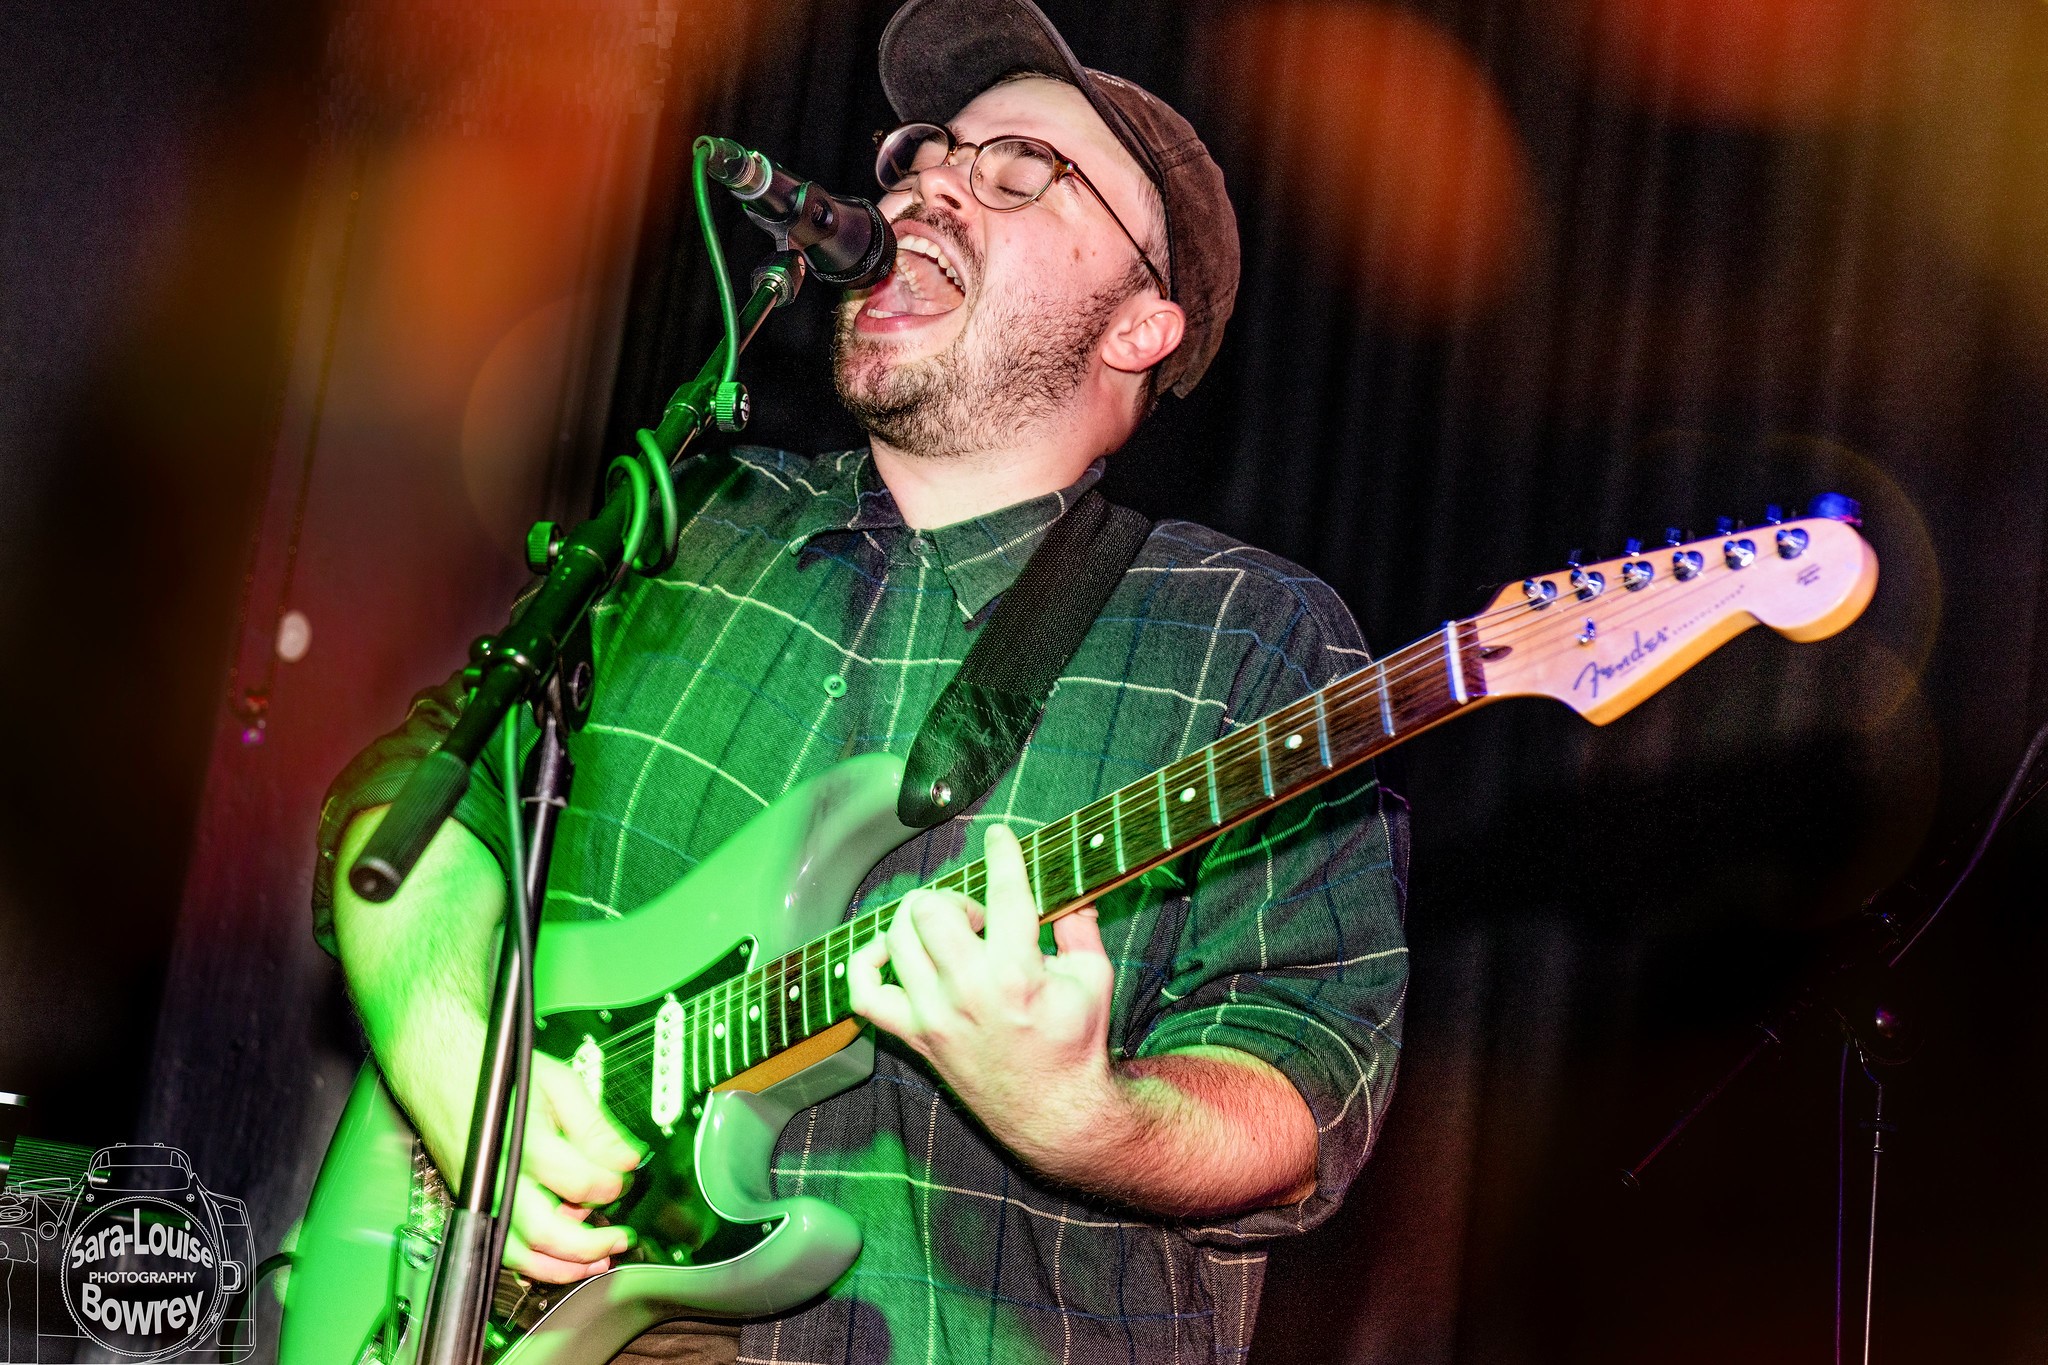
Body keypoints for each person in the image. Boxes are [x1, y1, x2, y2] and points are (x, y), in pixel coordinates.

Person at [312, 1, 1408, 1360]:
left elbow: (1306, 1073)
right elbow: (417, 809)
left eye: (1022, 169)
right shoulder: (691, 524)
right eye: (924, 151)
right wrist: (455, 1060)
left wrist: (1084, 1113)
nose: (930, 181)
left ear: (1139, 326)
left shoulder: (1246, 639)